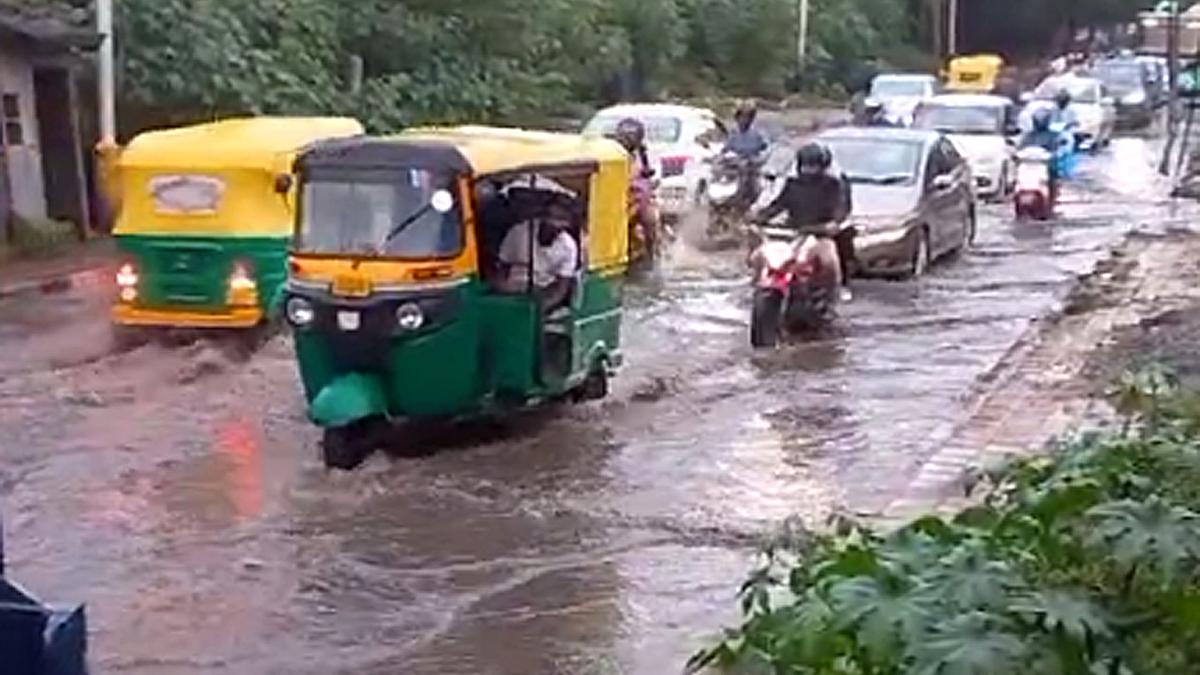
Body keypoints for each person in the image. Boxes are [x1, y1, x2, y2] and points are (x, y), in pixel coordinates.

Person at [752, 142, 856, 301]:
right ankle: (759, 284)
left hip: (821, 235)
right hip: (795, 234)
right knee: (759, 256)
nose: (809, 170)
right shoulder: (793, 185)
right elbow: (779, 205)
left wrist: (834, 223)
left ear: (823, 166)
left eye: (813, 166)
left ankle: (835, 291)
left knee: (828, 261)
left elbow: (841, 207)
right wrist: (758, 217)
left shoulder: (834, 185)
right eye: (806, 166)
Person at [496, 197, 580, 310]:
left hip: (542, 292)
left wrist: (539, 309)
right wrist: (500, 292)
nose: (553, 222)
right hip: (512, 289)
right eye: (549, 216)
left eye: (560, 219)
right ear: (542, 216)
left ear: (568, 224)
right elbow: (502, 267)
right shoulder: (519, 232)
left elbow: (560, 289)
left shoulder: (568, 247)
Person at [1020, 108, 1062, 205]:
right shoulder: (1028, 135)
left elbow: (1056, 148)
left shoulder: (1052, 135)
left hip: (1045, 165)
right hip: (1029, 165)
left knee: (1053, 173)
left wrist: (1054, 154)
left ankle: (1052, 196)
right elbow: (1021, 147)